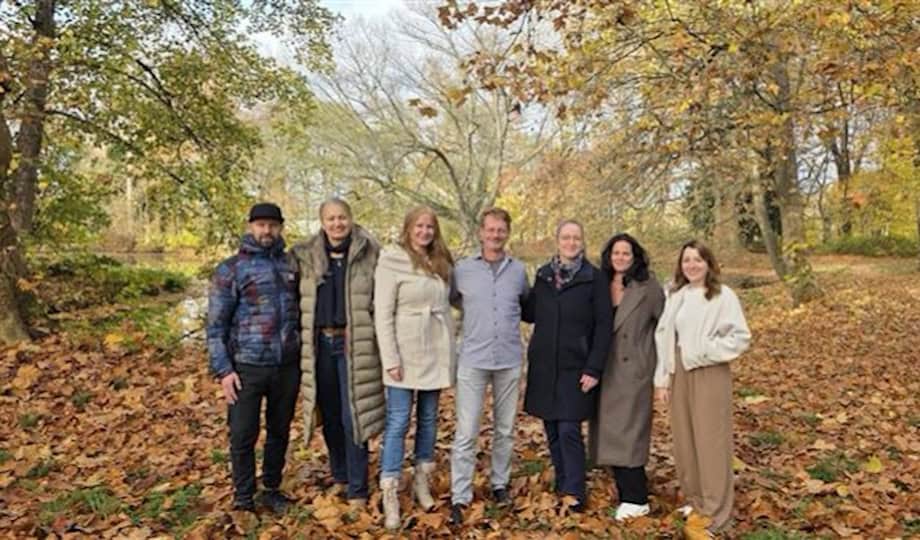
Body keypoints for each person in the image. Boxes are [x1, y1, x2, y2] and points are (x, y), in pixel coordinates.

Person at [206, 202, 301, 514]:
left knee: (279, 430)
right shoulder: (231, 269)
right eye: (261, 225)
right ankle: (244, 497)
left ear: (280, 228)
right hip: (246, 366)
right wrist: (223, 371)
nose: (266, 231)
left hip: (286, 365)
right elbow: (216, 326)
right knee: (243, 434)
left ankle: (271, 488)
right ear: (250, 227)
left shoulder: (291, 266)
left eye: (272, 225)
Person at [290, 197, 383, 508]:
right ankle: (340, 476)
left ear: (350, 218)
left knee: (353, 416)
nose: (337, 223)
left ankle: (358, 489)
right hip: (319, 345)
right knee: (329, 414)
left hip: (354, 344)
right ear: (322, 222)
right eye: (330, 218)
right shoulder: (304, 255)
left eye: (342, 217)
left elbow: (385, 298)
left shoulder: (370, 252)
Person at [654, 240, 751, 534]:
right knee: (685, 441)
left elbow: (740, 337)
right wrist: (662, 379)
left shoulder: (722, 295)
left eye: (698, 259)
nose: (692, 265)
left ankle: (716, 513)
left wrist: (706, 350)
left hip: (709, 371)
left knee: (711, 442)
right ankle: (696, 501)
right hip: (679, 371)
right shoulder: (676, 295)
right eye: (687, 260)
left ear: (708, 263)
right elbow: (664, 337)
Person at [374, 206, 456, 530]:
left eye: (430, 227)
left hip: (434, 349)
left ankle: (422, 479)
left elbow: (449, 305)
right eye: (419, 226)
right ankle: (390, 489)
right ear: (408, 228)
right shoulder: (391, 260)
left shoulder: (440, 261)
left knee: (429, 418)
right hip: (404, 351)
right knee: (398, 421)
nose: (424, 232)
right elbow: (383, 314)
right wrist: (390, 358)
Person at [522, 219, 613, 511]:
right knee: (551, 427)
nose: (571, 242)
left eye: (576, 238)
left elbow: (604, 326)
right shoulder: (544, 275)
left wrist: (594, 368)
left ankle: (575, 491)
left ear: (582, 242)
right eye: (566, 237)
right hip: (545, 364)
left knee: (569, 429)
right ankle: (562, 481)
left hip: (577, 365)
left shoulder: (594, 278)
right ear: (557, 241)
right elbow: (531, 312)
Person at [449, 208, 530, 526]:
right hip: (473, 359)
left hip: (508, 359)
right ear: (481, 232)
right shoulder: (462, 270)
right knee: (466, 431)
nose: (495, 235)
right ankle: (460, 494)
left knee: (505, 429)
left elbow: (524, 304)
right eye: (490, 230)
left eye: (501, 230)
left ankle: (500, 484)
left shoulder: (519, 271)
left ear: (507, 233)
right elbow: (454, 301)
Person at [588, 233, 665, 521]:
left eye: (626, 253)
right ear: (609, 257)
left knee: (630, 432)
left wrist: (655, 363)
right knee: (610, 431)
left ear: (635, 257)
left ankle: (636, 498)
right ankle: (626, 490)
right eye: (616, 253)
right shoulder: (600, 283)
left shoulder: (648, 287)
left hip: (633, 369)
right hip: (603, 368)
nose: (620, 258)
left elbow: (665, 324)